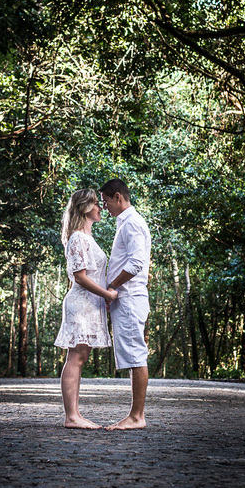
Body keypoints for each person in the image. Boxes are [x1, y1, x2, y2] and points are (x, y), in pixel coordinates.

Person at [53, 188, 119, 429]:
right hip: (81, 303)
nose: (101, 208)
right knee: (76, 356)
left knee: (80, 357)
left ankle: (75, 414)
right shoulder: (77, 238)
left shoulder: (86, 237)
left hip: (91, 304)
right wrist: (107, 294)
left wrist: (105, 297)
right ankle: (72, 416)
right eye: (96, 204)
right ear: (85, 207)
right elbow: (79, 277)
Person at [99, 178, 152, 430]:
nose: (104, 207)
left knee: (136, 354)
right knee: (132, 355)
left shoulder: (132, 223)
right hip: (127, 298)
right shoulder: (126, 223)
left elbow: (136, 264)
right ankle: (135, 414)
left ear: (118, 197)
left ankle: (137, 416)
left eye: (106, 201)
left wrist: (112, 287)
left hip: (129, 298)